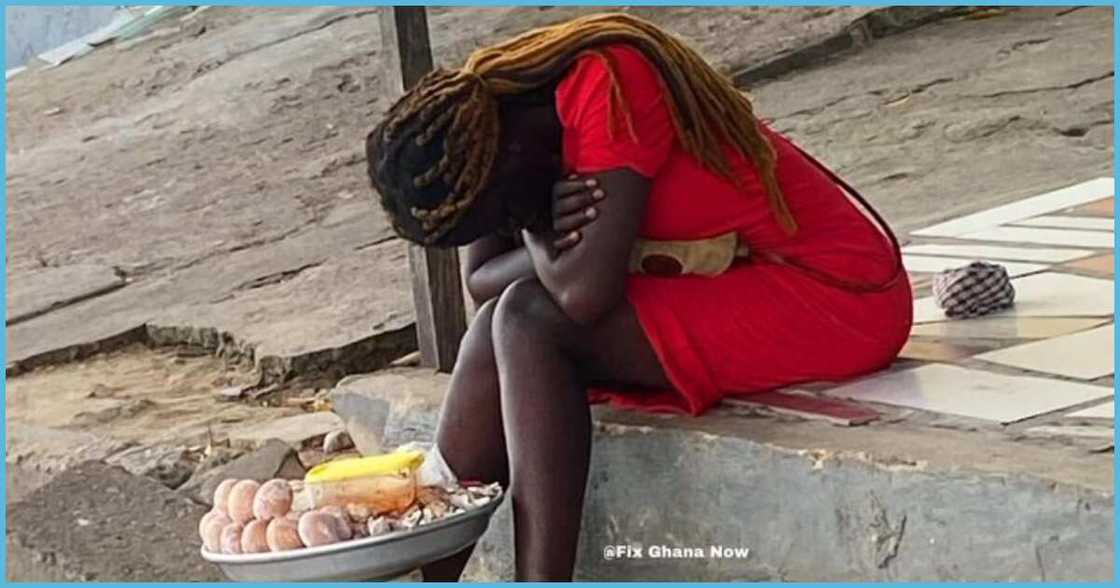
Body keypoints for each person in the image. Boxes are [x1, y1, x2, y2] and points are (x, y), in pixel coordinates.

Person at [365, 12, 912, 581]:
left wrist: (533, 229)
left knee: (528, 320)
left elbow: (580, 296)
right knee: (493, 327)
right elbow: (481, 284)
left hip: (833, 294)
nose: (507, 220)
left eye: (502, 210)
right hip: (734, 278)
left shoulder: (610, 85)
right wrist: (539, 223)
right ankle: (430, 573)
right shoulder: (495, 139)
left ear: (502, 155)